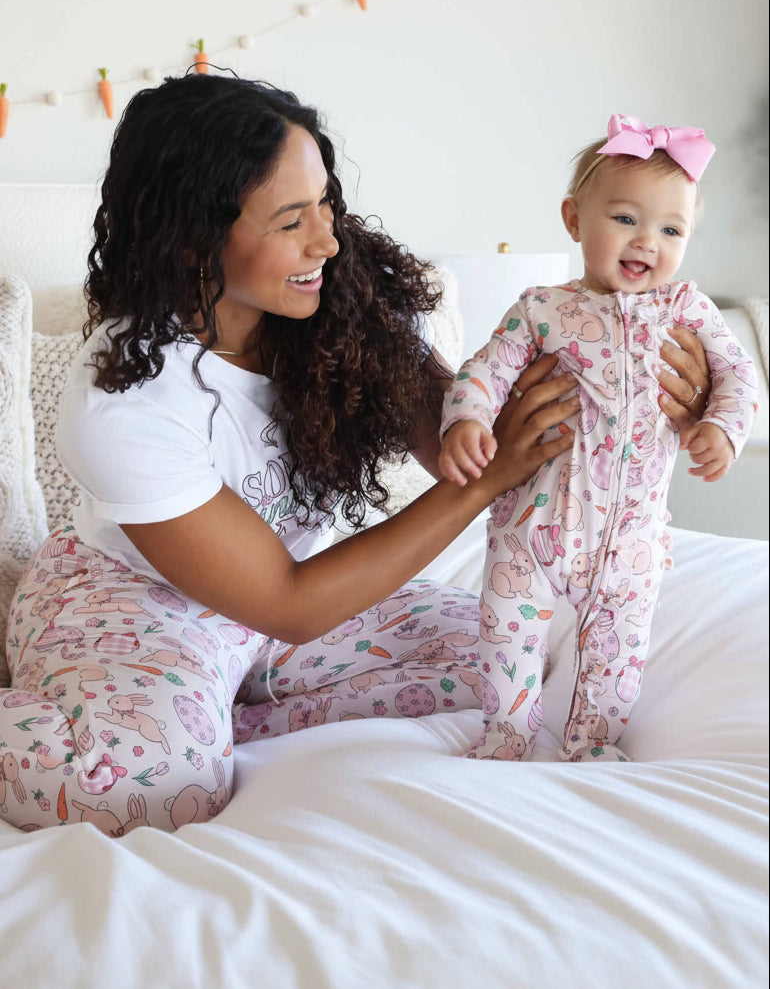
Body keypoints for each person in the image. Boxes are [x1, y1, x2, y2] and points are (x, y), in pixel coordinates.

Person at [0, 85, 708, 834]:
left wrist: (645, 396)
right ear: (191, 237)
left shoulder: (340, 304)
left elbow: (465, 441)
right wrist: (488, 480)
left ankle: (221, 715)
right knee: (153, 790)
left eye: (325, 205)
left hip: (286, 616)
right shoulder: (124, 395)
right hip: (144, 604)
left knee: (509, 661)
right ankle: (163, 718)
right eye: (290, 221)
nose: (327, 242)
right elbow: (291, 601)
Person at [439, 113, 758, 764]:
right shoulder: (541, 309)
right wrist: (467, 419)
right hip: (532, 526)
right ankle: (506, 735)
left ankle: (592, 744)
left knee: (618, 651)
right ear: (574, 220)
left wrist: (723, 428)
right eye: (625, 218)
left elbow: (739, 374)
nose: (647, 240)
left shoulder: (686, 308)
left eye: (670, 229)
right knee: (506, 631)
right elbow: (485, 370)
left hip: (630, 537)